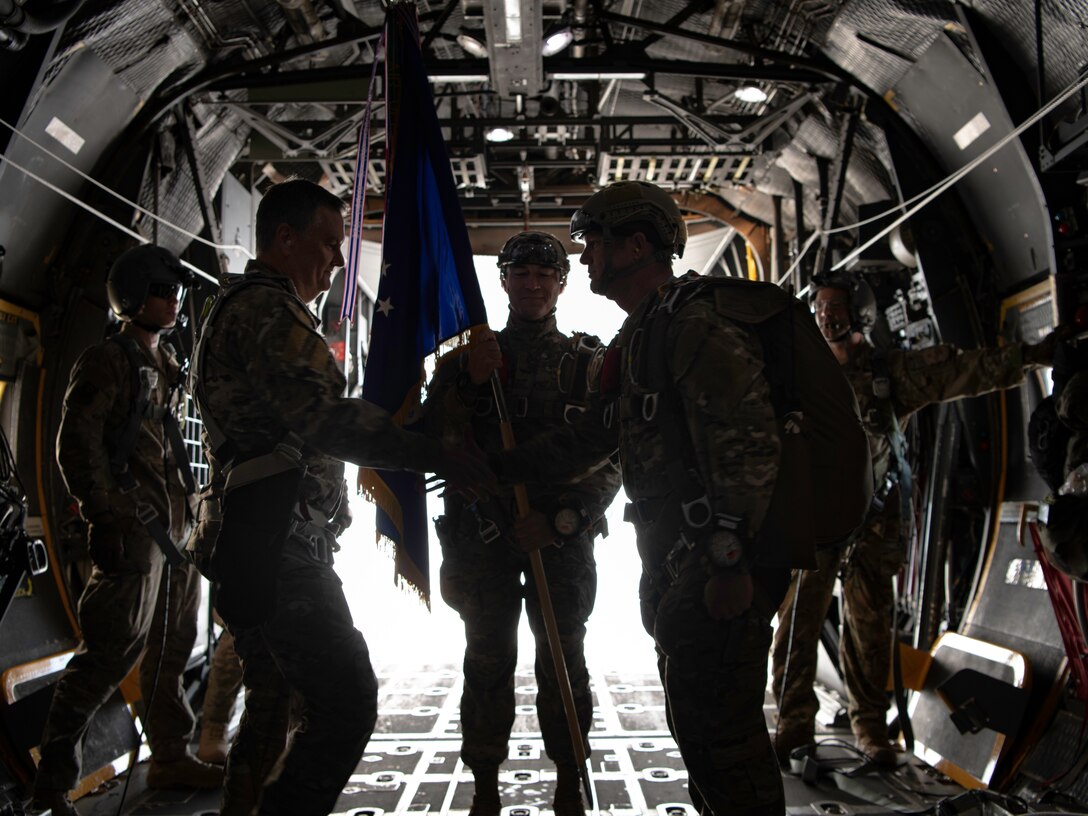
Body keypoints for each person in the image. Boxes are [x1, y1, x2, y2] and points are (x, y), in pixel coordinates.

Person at [189, 177, 491, 816]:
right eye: (327, 245)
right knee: (347, 701)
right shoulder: (268, 311)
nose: (337, 262)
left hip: (260, 533)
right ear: (286, 238)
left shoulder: (245, 305)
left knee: (271, 706)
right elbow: (326, 420)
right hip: (277, 543)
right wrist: (437, 452)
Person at [496, 181, 792, 816]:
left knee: (727, 742)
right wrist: (490, 465)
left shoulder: (695, 325)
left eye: (594, 245)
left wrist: (728, 561)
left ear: (635, 245)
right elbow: (592, 438)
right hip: (676, 561)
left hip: (714, 562)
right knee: (700, 732)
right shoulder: (641, 337)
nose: (583, 260)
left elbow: (747, 448)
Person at [771, 271, 1060, 767]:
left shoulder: (888, 375)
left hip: (873, 521)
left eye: (834, 309)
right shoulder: (796, 376)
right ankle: (793, 725)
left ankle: (869, 729)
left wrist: (1033, 354)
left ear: (860, 316)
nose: (825, 317)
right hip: (815, 523)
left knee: (871, 630)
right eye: (818, 308)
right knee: (796, 625)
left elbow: (963, 371)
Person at [425, 232, 621, 816]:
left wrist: (563, 519)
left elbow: (613, 458)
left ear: (562, 283)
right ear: (503, 281)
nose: (533, 284)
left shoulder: (590, 363)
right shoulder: (465, 361)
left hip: (556, 540)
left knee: (564, 657)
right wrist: (467, 384)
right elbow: (432, 442)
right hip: (482, 538)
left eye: (544, 274)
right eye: (521, 274)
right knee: (485, 659)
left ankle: (568, 778)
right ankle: (485, 781)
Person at [32, 245, 222, 816]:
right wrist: (106, 512)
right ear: (135, 296)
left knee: (172, 649)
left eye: (177, 292)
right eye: (165, 291)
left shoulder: (165, 363)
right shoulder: (107, 360)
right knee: (108, 654)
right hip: (134, 534)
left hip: (175, 534)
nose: (175, 300)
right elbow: (76, 446)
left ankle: (168, 753)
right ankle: (51, 783)